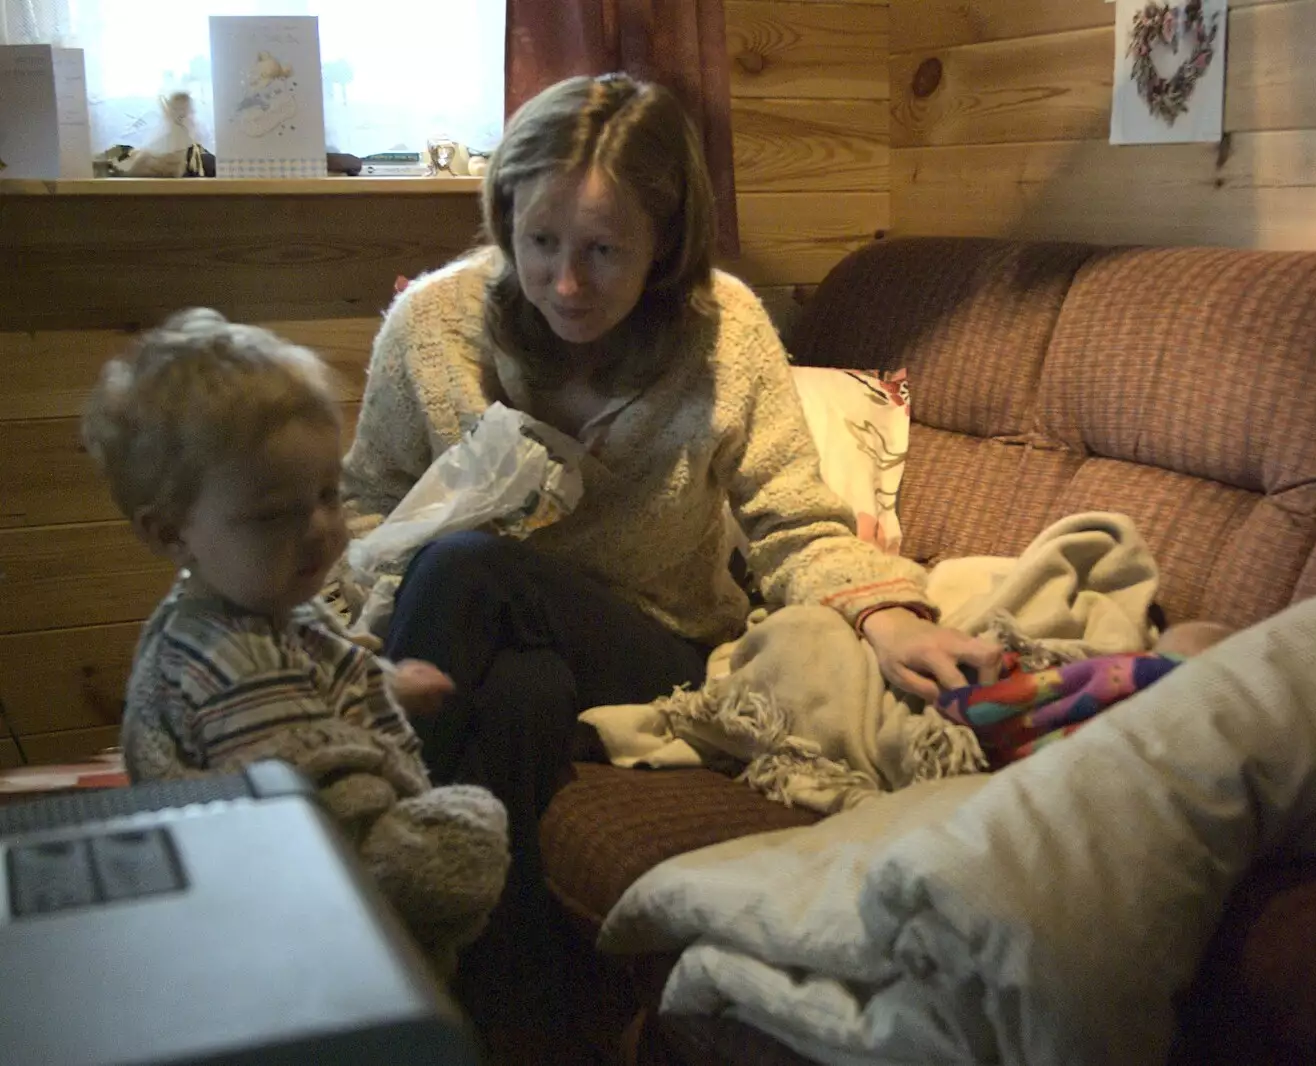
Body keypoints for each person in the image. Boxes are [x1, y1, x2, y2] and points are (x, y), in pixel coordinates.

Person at [339, 72, 1004, 1032]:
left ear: (665, 245)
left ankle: (360, 898)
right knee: (516, 687)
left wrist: (884, 610)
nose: (568, 283)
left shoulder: (725, 332)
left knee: (464, 567)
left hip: (657, 651)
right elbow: (366, 510)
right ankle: (514, 1018)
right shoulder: (435, 328)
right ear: (505, 219)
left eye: (606, 251)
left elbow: (791, 517)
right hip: (481, 659)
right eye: (540, 243)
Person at [81, 310, 510, 976]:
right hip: (302, 922)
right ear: (171, 533)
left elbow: (305, 683)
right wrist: (438, 850)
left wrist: (383, 682)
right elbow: (317, 803)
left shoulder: (262, 606)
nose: (317, 529)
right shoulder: (227, 657)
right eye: (273, 514)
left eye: (327, 495)